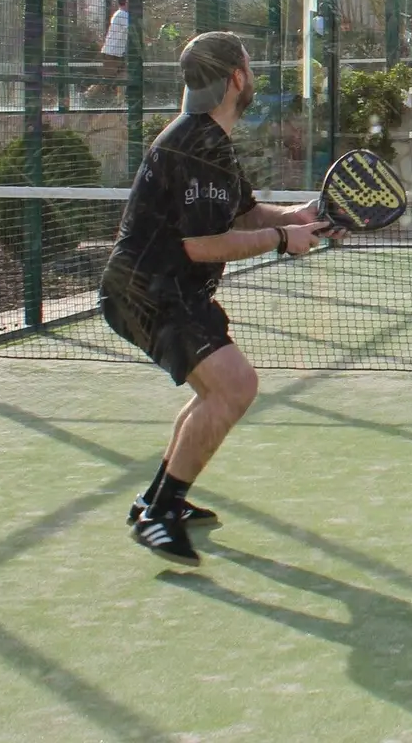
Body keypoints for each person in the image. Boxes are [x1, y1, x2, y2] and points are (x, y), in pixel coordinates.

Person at [100, 31, 337, 566]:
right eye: (248, 69)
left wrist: (298, 217)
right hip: (150, 288)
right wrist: (281, 241)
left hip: (166, 287)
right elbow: (202, 244)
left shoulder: (211, 141)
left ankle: (158, 502)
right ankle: (161, 512)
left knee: (219, 390)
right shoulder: (195, 144)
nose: (250, 77)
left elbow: (244, 215)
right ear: (235, 79)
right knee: (234, 386)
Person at [95, 0, 131, 99]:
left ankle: (120, 101)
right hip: (111, 53)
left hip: (118, 53)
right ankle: (87, 97)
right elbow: (133, 29)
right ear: (127, 2)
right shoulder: (122, 15)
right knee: (106, 80)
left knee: (122, 78)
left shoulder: (124, 15)